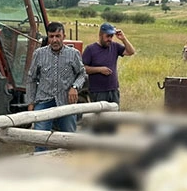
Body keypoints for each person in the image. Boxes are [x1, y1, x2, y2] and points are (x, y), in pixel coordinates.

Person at [25, 22, 87, 152]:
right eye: (51, 36)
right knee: (39, 139)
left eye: (58, 36)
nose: (55, 40)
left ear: (63, 36)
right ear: (47, 37)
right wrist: (31, 102)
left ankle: (69, 167)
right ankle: (41, 166)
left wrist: (75, 87)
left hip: (66, 102)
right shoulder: (39, 54)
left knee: (69, 140)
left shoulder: (73, 54)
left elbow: (82, 74)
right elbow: (31, 78)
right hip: (43, 101)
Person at [82, 23, 135, 133]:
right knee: (99, 123)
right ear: (100, 35)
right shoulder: (90, 49)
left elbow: (131, 52)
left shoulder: (115, 47)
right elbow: (83, 69)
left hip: (113, 90)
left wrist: (123, 39)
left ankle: (111, 144)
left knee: (113, 122)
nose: (110, 39)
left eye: (111, 36)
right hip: (98, 92)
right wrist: (99, 69)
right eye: (107, 36)